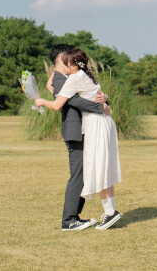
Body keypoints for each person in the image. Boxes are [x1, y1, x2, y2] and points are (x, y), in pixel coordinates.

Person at [37, 48, 123, 230]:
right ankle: (78, 217)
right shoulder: (75, 76)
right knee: (92, 170)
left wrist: (41, 101)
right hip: (94, 124)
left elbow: (68, 102)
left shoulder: (71, 78)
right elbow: (87, 95)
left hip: (93, 125)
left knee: (94, 168)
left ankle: (89, 216)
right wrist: (104, 103)